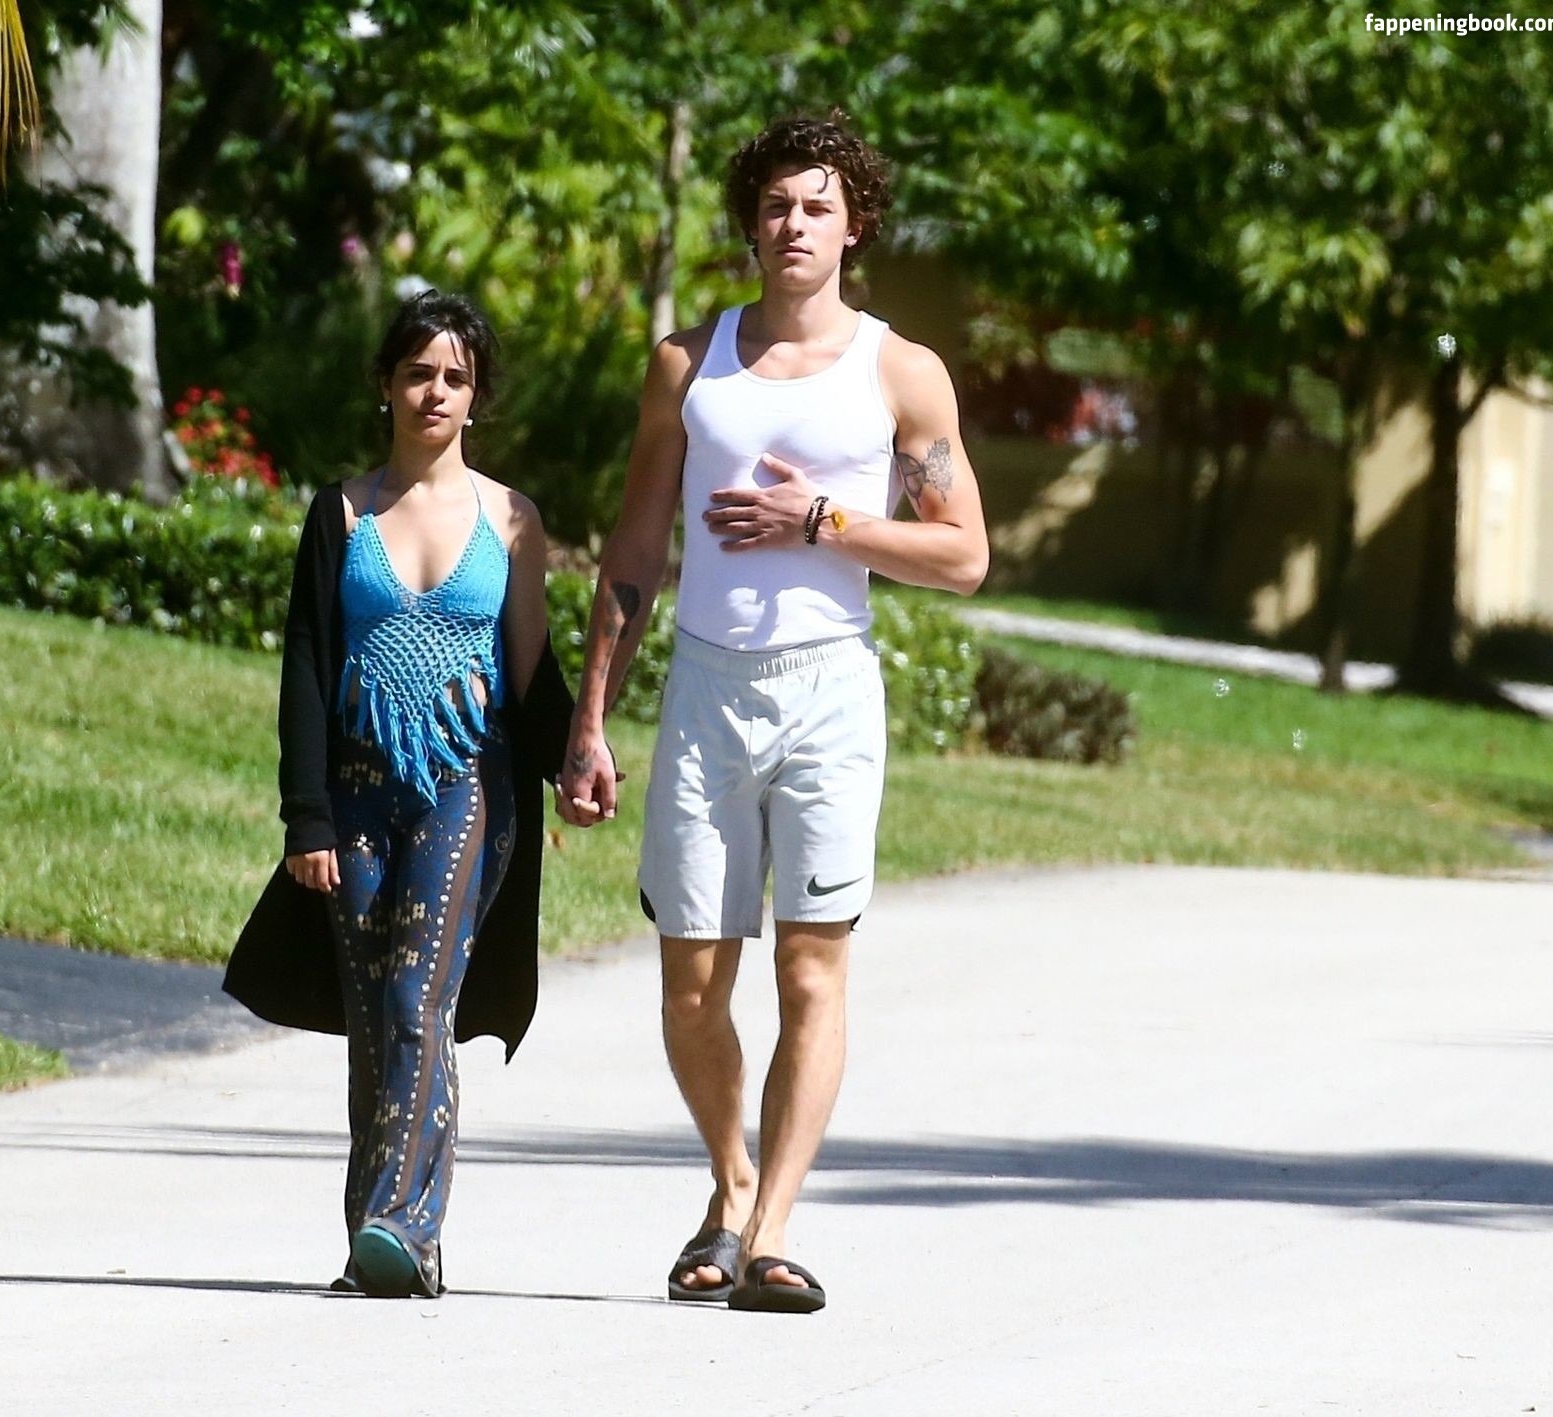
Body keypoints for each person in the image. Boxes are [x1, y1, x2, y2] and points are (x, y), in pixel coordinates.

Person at [556, 115, 990, 1314]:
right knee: (692, 987)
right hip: (707, 689)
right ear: (751, 224)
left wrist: (825, 523)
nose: (794, 224)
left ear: (856, 224)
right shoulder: (687, 366)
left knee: (810, 970)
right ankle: (732, 1180)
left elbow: (964, 556)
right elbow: (636, 546)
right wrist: (591, 719)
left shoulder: (901, 373)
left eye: (818, 205)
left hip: (829, 689)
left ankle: (774, 1230)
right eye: (776, 205)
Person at [226, 291, 576, 1299]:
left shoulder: (511, 519)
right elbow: (305, 665)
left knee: (418, 997)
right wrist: (307, 815)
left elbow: (530, 672)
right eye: (419, 372)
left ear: (476, 396)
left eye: (456, 377)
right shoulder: (342, 512)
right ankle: (372, 1241)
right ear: (386, 383)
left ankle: (406, 1223)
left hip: (468, 786)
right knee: (373, 1015)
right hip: (357, 793)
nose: (436, 392)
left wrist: (577, 757)